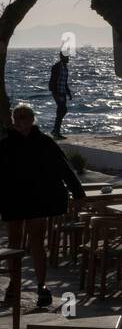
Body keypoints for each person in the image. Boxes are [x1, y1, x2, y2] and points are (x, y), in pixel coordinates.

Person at [0, 103, 85, 308]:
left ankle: (41, 285)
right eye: (18, 117)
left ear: (32, 119)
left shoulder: (44, 142)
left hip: (38, 199)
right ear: (13, 120)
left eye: (25, 117)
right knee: (14, 242)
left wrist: (77, 191)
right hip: (14, 199)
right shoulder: (6, 144)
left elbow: (64, 167)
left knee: (37, 241)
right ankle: (14, 284)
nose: (21, 121)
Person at [47, 51, 72, 139]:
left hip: (63, 92)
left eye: (68, 57)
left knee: (62, 111)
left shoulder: (65, 68)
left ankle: (55, 131)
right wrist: (55, 93)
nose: (68, 59)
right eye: (67, 57)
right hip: (57, 92)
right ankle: (56, 132)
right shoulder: (57, 67)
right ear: (62, 57)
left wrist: (68, 93)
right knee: (62, 110)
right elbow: (53, 80)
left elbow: (64, 82)